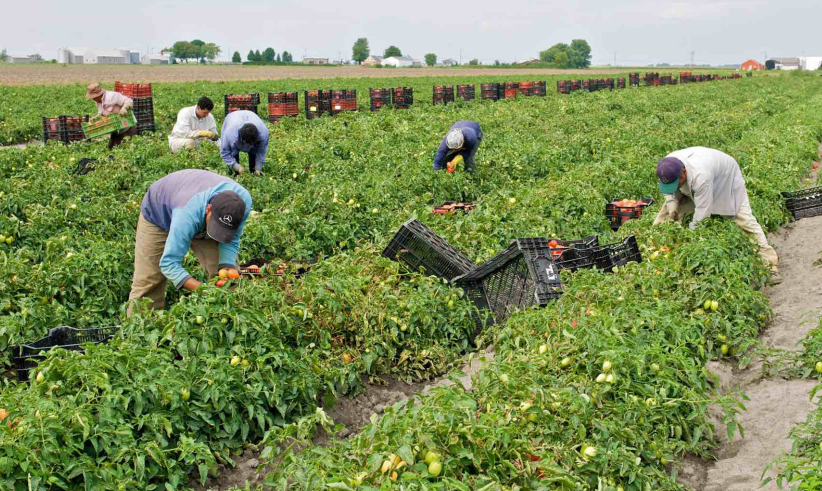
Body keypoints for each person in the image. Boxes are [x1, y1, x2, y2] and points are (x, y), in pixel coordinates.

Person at [127, 169, 253, 316]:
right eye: (215, 227)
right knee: (149, 280)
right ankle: (138, 331)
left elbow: (231, 241)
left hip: (192, 206)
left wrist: (226, 268)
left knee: (228, 281)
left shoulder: (242, 203)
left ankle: (226, 321)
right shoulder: (187, 214)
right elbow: (169, 263)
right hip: (158, 214)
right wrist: (201, 289)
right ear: (208, 209)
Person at [654, 147, 781, 284]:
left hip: (726, 178)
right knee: (666, 216)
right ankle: (658, 252)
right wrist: (671, 203)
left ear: (683, 173)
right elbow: (668, 189)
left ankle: (770, 266)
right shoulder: (667, 166)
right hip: (698, 178)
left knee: (744, 220)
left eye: (674, 184)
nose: (672, 187)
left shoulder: (700, 176)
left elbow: (702, 214)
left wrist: (690, 241)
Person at [85, 83, 135, 149]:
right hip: (114, 127)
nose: (92, 99)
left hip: (126, 125)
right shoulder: (98, 101)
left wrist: (124, 108)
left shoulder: (112, 96)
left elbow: (129, 100)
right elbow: (101, 113)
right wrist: (96, 117)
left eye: (93, 97)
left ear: (99, 95)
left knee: (121, 148)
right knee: (110, 148)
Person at [220, 110, 269, 175]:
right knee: (233, 156)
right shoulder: (230, 134)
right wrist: (237, 167)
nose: (249, 146)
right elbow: (225, 153)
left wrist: (258, 169)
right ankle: (235, 174)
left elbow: (261, 153)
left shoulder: (263, 134)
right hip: (232, 117)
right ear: (242, 139)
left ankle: (253, 172)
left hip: (250, 115)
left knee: (253, 154)